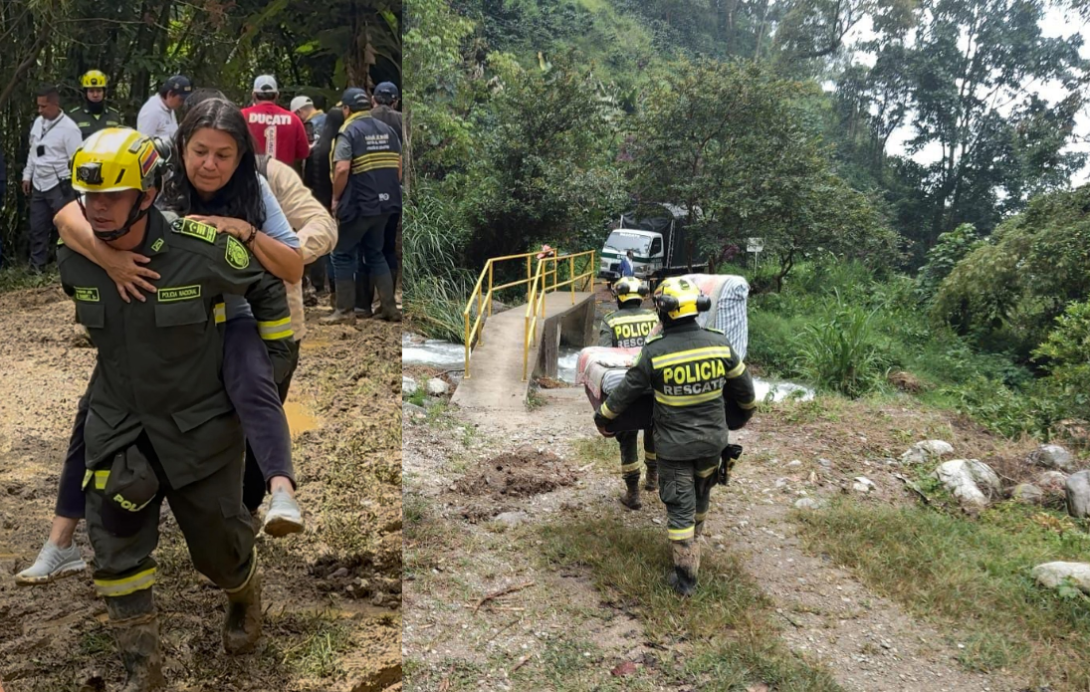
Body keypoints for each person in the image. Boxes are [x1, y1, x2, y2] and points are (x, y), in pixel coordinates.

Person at [17, 100, 306, 587]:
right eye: (199, 151)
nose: (209, 164)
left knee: (251, 381)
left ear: (240, 159)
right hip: (148, 318)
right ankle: (61, 539)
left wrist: (245, 230)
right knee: (94, 412)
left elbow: (291, 268)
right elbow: (70, 213)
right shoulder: (152, 175)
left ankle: (280, 492)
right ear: (181, 147)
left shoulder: (253, 189)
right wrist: (109, 260)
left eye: (223, 155)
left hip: (223, 313)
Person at [57, 127, 292, 686]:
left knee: (219, 548)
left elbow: (267, 285)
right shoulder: (79, 261)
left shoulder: (201, 251)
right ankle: (145, 671)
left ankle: (242, 592)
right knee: (113, 545)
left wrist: (271, 358)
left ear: (149, 192)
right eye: (91, 196)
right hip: (119, 426)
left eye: (114, 196)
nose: (99, 208)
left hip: (198, 428)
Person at [593, 276, 756, 596]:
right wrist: (738, 418)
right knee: (702, 493)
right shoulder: (720, 342)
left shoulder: (656, 351)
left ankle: (685, 578)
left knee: (679, 505)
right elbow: (746, 395)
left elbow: (626, 392)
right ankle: (694, 544)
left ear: (664, 312)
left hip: (675, 448)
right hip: (713, 444)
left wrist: (604, 417)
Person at [325, 87, 402, 324]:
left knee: (342, 253)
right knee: (375, 252)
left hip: (359, 204)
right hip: (387, 204)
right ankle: (389, 307)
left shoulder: (349, 130)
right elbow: (398, 169)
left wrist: (336, 198)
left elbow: (342, 168)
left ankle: (345, 310)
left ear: (346, 109)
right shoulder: (387, 130)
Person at [599, 277, 660, 509]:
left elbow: (604, 355)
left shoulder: (611, 320)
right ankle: (653, 479)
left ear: (618, 298)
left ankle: (633, 492)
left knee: (627, 436)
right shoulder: (654, 317)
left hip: (625, 387)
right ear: (642, 297)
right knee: (653, 429)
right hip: (654, 386)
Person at [21, 84, 82, 272]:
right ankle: (36, 266)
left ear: (55, 104)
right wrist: (27, 175)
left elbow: (77, 160)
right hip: (39, 181)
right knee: (37, 226)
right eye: (38, 106)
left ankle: (70, 264)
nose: (40, 110)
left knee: (66, 225)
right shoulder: (39, 122)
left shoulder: (69, 129)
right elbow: (33, 150)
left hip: (59, 183)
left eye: (43, 106)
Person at [305, 107, 344, 301]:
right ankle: (339, 288)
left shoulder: (316, 149)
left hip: (319, 203)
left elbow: (307, 180)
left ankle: (320, 285)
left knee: (322, 246)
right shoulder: (343, 147)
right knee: (341, 247)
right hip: (341, 203)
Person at [241, 75, 310, 172]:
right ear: (277, 95)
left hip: (249, 178)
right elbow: (303, 154)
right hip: (283, 180)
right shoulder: (294, 119)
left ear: (254, 95)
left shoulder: (242, 116)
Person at [136, 75, 192, 140]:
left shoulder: (169, 107)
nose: (182, 103)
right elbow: (143, 142)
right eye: (180, 99)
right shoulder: (151, 111)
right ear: (170, 94)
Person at [72, 70, 124, 140]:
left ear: (104, 92)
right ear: (85, 93)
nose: (95, 95)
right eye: (91, 91)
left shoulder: (114, 116)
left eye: (99, 91)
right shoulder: (74, 117)